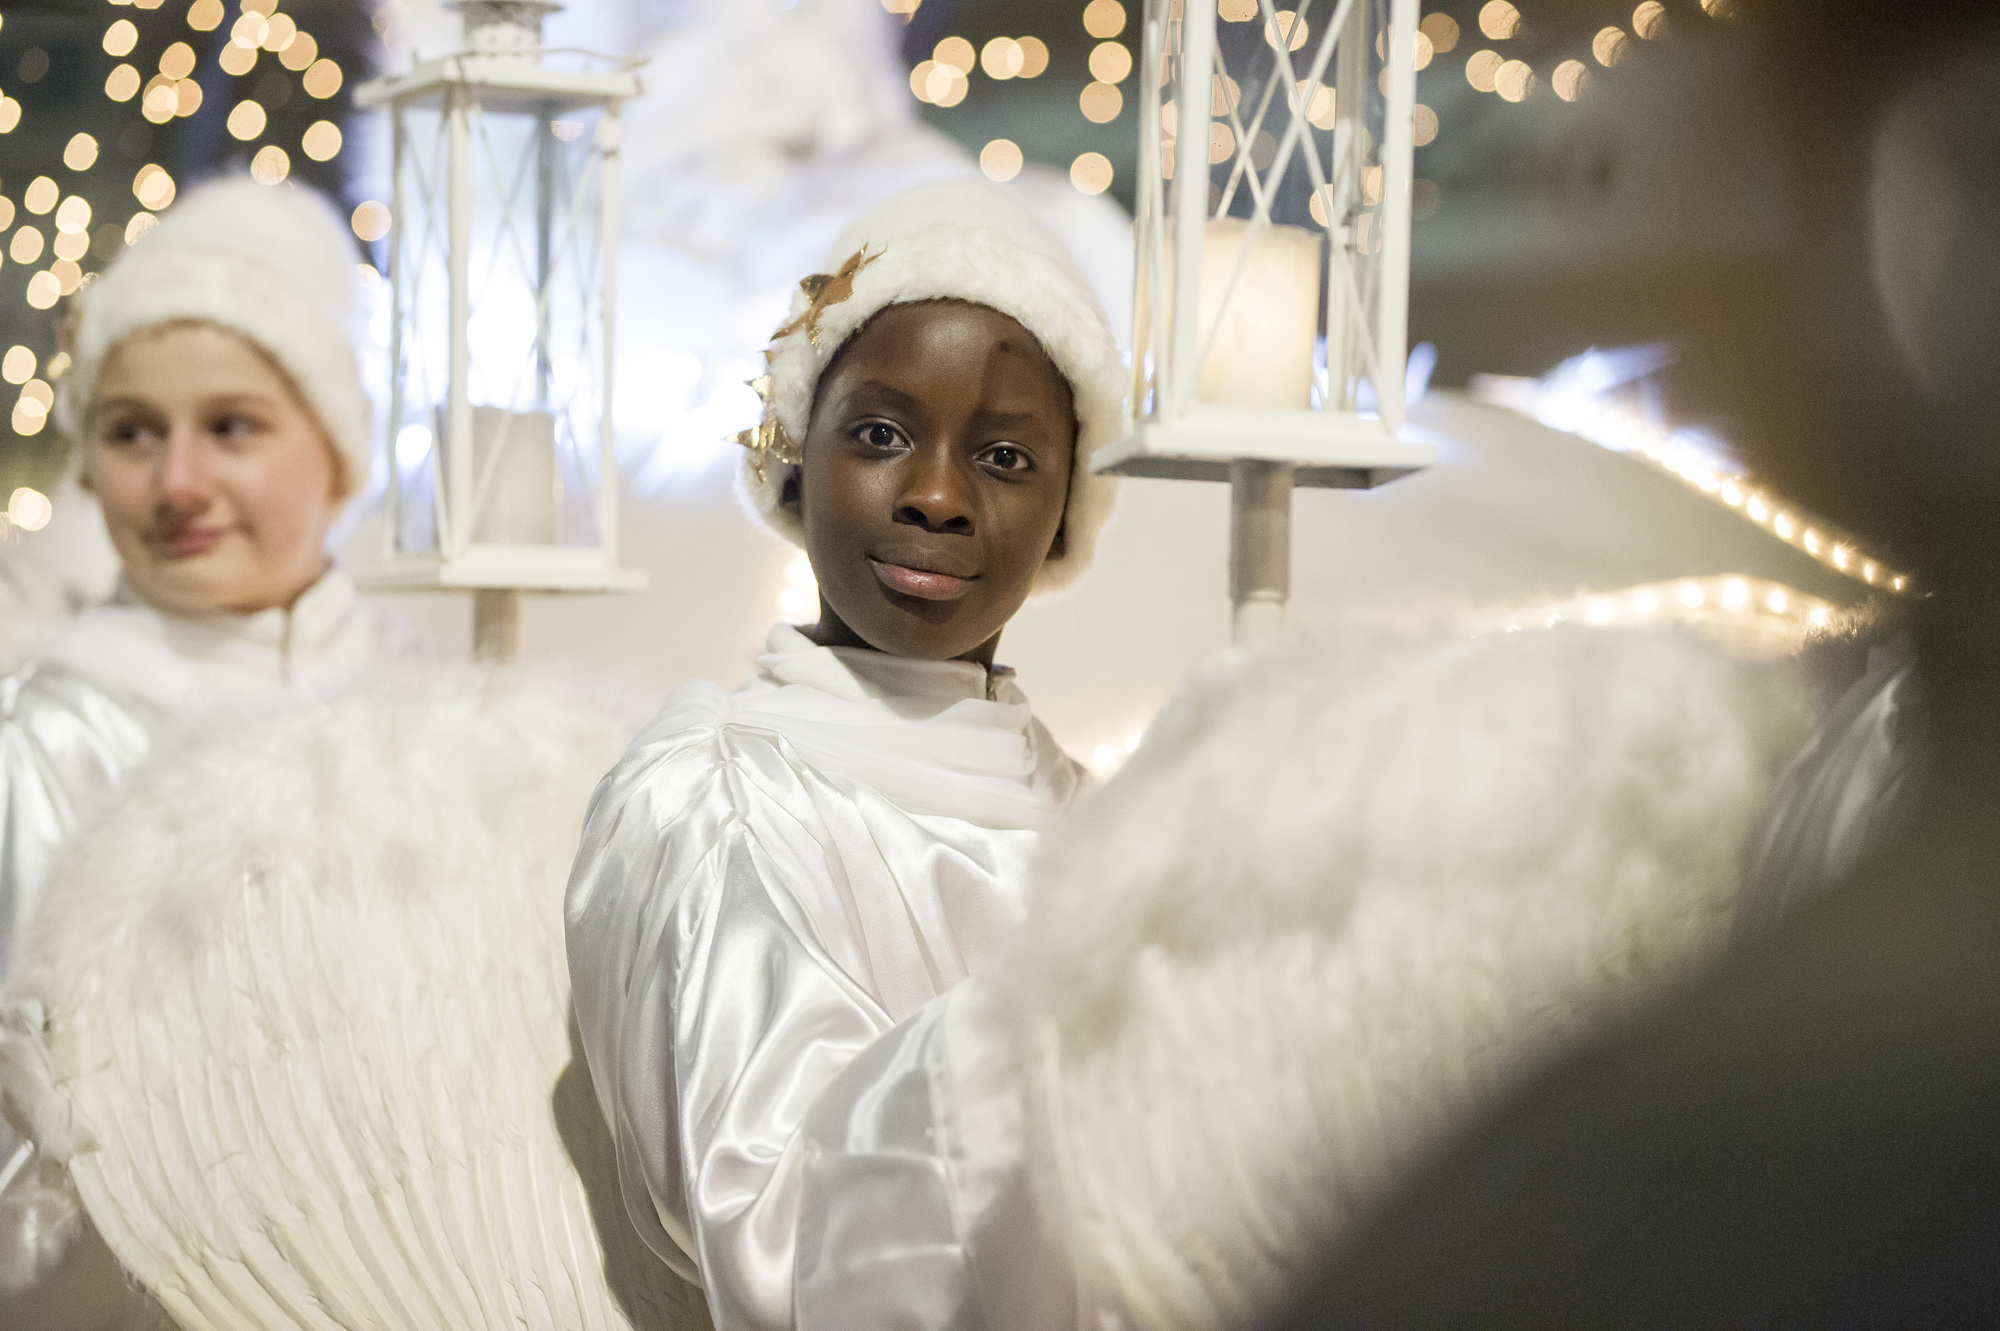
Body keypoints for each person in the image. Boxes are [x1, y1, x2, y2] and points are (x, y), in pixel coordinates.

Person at [564, 180, 1121, 1330]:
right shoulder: (709, 799)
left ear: (1068, 505)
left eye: (1004, 456)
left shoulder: (1107, 828)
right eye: (878, 434)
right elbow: (775, 1226)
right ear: (791, 456)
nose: (936, 495)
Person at [0, 176, 421, 979]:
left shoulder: (418, 696)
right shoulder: (59, 737)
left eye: (231, 426)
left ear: (337, 450)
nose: (179, 483)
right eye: (133, 432)